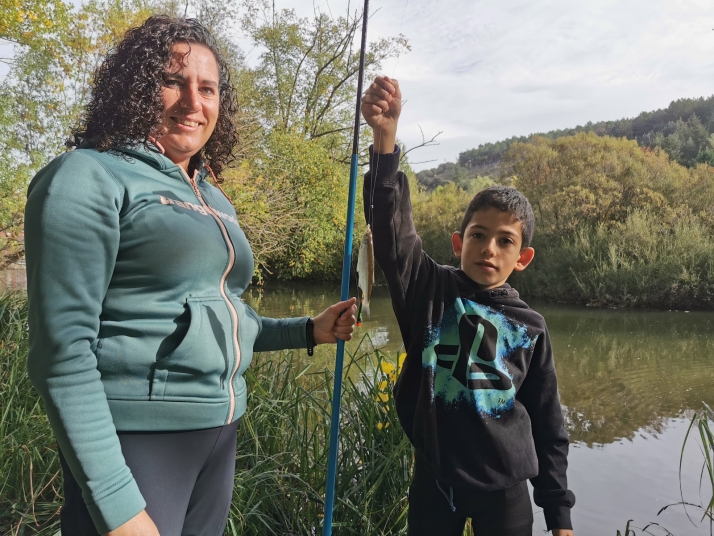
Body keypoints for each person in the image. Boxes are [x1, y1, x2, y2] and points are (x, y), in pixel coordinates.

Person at [24, 15, 357, 536]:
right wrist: (118, 507)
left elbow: (224, 313)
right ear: (135, 88)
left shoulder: (213, 197)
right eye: (173, 81)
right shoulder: (86, 176)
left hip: (218, 435)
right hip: (139, 439)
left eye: (208, 88)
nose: (193, 102)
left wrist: (307, 330)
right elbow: (61, 351)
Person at [360, 75, 575, 536]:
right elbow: (392, 233)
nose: (489, 249)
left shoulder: (531, 327)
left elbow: (548, 423)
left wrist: (559, 515)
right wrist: (384, 140)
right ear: (459, 242)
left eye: (505, 241)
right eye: (478, 235)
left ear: (523, 258)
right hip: (435, 481)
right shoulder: (429, 291)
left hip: (507, 491)